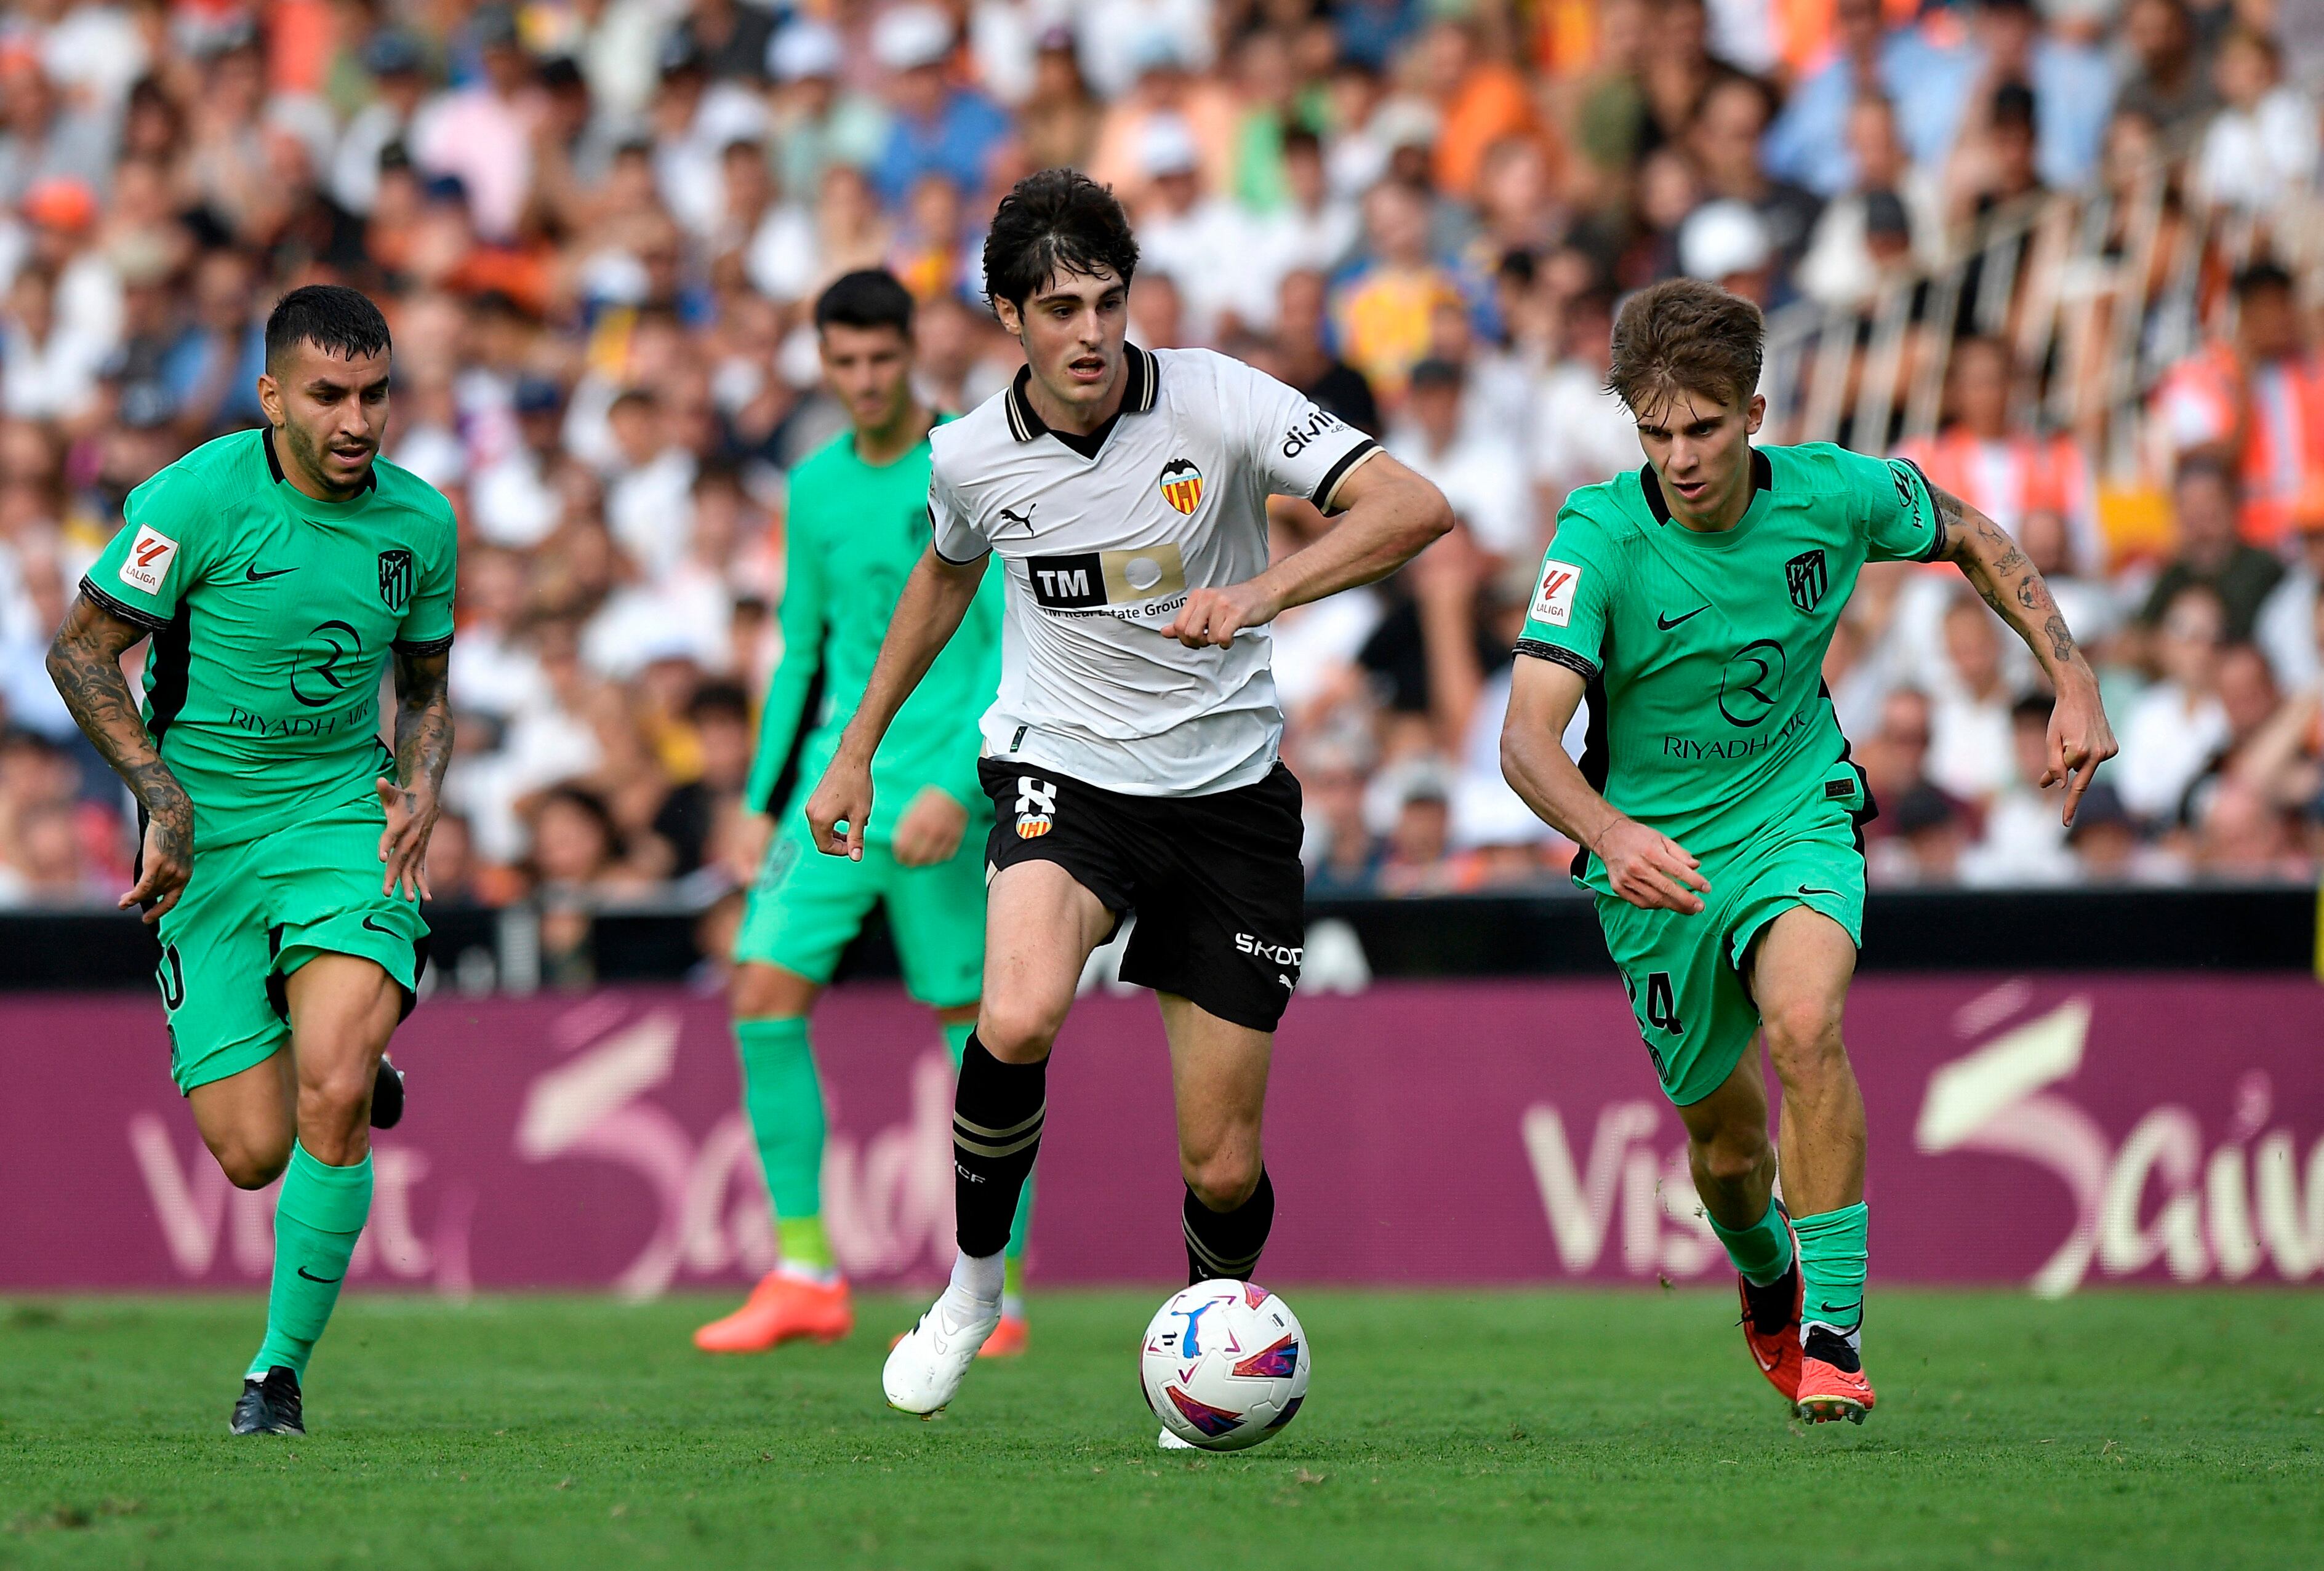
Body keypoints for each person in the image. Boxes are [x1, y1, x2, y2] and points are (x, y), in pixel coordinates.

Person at [803, 169, 1449, 1434]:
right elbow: (943, 579)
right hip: (1067, 769)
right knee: (1019, 1005)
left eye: (1106, 301)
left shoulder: (1218, 396)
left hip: (1227, 797)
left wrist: (1262, 593)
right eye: (1059, 308)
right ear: (1008, 317)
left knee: (1219, 1160)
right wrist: (857, 744)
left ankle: (1207, 1349)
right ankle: (972, 1290)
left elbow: (1413, 507)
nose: (1090, 331)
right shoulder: (969, 455)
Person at [1497, 279, 2114, 1424]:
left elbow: (1972, 531)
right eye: (1656, 430)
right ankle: (1768, 1272)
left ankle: (1835, 1333)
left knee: (1806, 1024)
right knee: (1728, 1153)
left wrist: (2070, 676)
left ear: (1755, 413)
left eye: (1704, 427)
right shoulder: (1598, 534)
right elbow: (1526, 738)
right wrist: (1607, 830)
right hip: (1654, 859)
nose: (1679, 456)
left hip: (1796, 811)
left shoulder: (1833, 493)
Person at [44, 286, 457, 1436]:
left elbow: (425, 691)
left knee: (326, 1093)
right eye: (329, 395)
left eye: (376, 395)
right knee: (251, 1153)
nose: (357, 420)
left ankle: (275, 1375)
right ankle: (349, 1049)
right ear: (272, 395)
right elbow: (80, 652)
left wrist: (422, 782)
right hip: (208, 835)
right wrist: (161, 795)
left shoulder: (421, 525)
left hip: (338, 813)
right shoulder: (192, 500)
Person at [691, 270, 1027, 1357]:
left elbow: (1011, 636)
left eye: (885, 359)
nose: (868, 379)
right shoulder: (812, 487)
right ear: (825, 366)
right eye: (848, 362)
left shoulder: (967, 464)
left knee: (978, 1033)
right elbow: (802, 649)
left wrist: (964, 777)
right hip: (836, 791)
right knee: (760, 993)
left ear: (913, 355)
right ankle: (805, 1271)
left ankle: (997, 1290)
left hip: (939, 790)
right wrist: (756, 799)